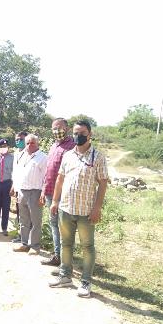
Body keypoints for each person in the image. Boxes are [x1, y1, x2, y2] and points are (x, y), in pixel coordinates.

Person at [48, 120, 109, 297]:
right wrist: (55, 201)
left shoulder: (98, 156)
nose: (78, 136)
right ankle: (65, 276)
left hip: (86, 212)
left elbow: (103, 183)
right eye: (75, 132)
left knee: (87, 247)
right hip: (66, 209)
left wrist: (97, 208)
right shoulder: (68, 155)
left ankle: (85, 282)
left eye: (82, 132)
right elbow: (60, 179)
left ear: (89, 134)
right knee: (66, 244)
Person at [38, 118, 76, 266]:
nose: (56, 131)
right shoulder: (53, 146)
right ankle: (57, 256)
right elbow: (49, 170)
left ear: (67, 129)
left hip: (63, 194)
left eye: (59, 127)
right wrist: (43, 190)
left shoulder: (72, 146)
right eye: (54, 128)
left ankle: (66, 260)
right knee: (54, 225)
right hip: (49, 193)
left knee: (64, 227)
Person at [12, 134, 48, 255]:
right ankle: (24, 244)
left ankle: (35, 246)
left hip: (35, 192)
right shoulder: (22, 155)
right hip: (22, 191)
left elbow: (46, 178)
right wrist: (16, 189)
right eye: (27, 143)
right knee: (23, 220)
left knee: (35, 221)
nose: (29, 145)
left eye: (32, 143)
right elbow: (18, 173)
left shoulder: (43, 157)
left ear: (37, 143)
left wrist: (43, 193)